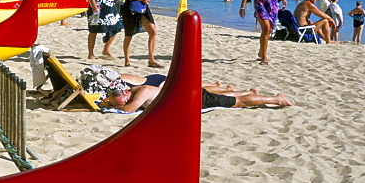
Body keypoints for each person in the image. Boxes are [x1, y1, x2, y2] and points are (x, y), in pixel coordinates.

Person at [98, 74, 294, 112]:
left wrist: (109, 105)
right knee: (232, 98)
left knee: (239, 102)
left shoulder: (141, 92)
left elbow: (129, 110)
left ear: (124, 92)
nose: (121, 102)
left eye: (120, 99)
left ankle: (276, 99)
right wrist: (110, 101)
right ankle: (265, 96)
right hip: (185, 96)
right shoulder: (132, 91)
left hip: (191, 100)